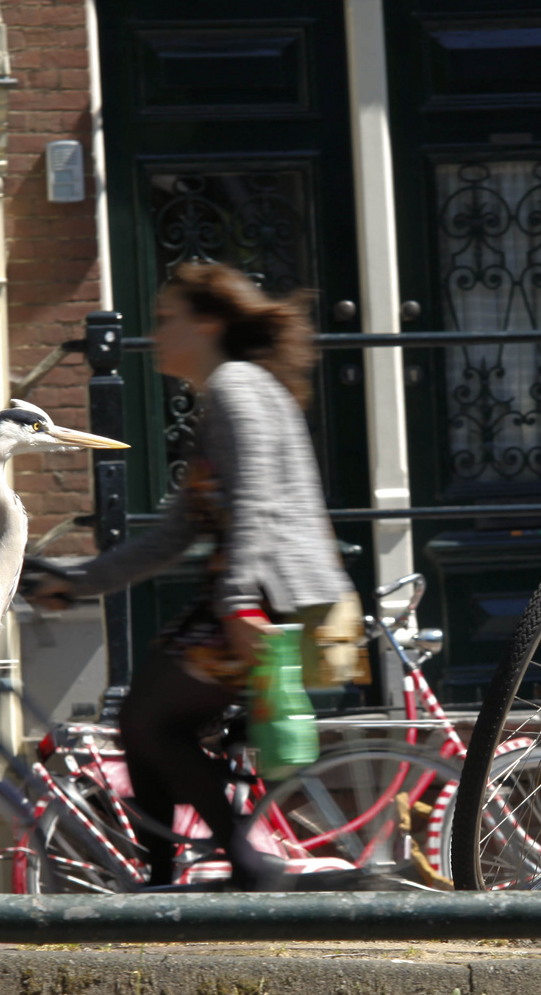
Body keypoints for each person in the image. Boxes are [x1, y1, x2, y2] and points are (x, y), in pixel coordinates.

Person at [28, 262, 385, 891]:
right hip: (241, 598)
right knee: (144, 718)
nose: (157, 331)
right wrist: (76, 581)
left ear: (209, 322)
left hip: (260, 601)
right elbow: (174, 535)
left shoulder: (238, 388)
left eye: (169, 318)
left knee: (150, 720)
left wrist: (241, 605)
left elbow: (252, 504)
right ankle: (163, 875)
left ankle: (245, 864)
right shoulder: (227, 395)